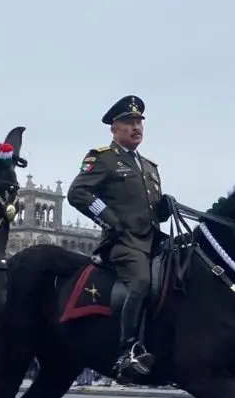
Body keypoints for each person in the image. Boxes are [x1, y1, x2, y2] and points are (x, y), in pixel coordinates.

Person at [67, 95, 165, 382]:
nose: (136, 127)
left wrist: (164, 208)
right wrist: (110, 219)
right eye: (129, 122)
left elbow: (150, 209)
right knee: (141, 282)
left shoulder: (149, 166)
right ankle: (128, 351)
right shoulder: (103, 159)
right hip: (123, 243)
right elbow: (78, 194)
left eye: (139, 122)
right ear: (114, 128)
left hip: (153, 240)